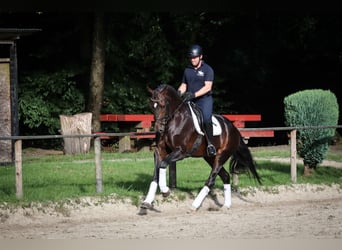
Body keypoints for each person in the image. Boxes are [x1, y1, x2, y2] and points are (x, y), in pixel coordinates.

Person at [178, 44, 216, 156]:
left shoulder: (208, 69)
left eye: (195, 57)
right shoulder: (187, 70)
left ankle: (210, 144)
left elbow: (208, 87)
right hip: (191, 99)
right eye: (191, 58)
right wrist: (178, 93)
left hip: (204, 100)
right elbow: (184, 85)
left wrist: (194, 95)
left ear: (200, 57)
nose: (193, 60)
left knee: (206, 119)